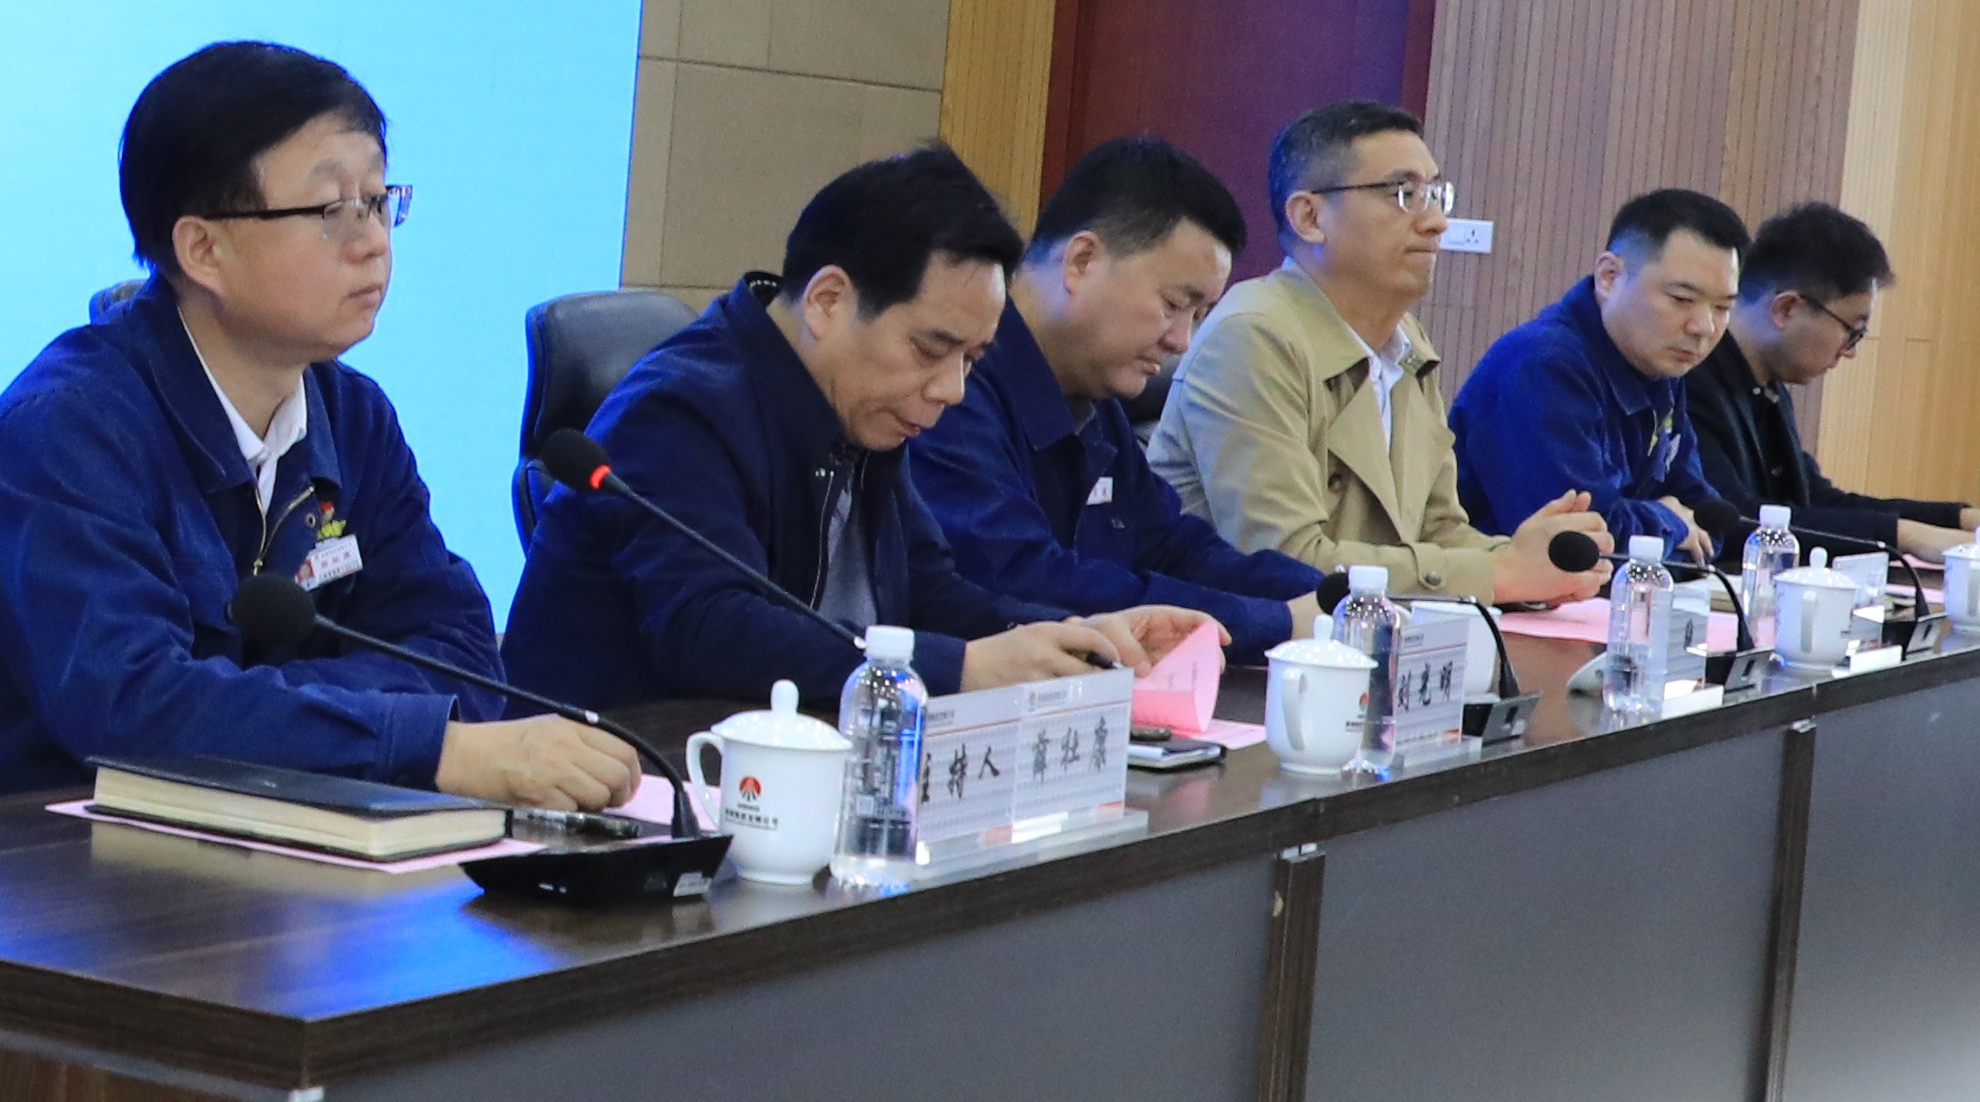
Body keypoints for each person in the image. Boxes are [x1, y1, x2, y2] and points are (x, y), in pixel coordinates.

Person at [0, 41, 640, 814]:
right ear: (204, 248)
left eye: (379, 201)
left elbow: (461, 652)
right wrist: (422, 741)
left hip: (238, 841)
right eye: (331, 209)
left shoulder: (354, 417)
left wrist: (264, 712)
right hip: (5, 861)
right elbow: (136, 710)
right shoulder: (64, 433)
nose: (373, 241)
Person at [498, 143, 1167, 713]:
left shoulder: (863, 409)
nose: (952, 389)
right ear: (827, 302)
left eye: (971, 360)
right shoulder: (678, 409)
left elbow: (929, 594)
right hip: (624, 784)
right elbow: (712, 629)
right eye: (931, 349)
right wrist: (961, 667)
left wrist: (1072, 638)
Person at [1154, 101, 1611, 605]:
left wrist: (1535, 564)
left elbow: (1438, 531)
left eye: (1435, 194)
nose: (1435, 221)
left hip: (1373, 634)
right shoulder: (1253, 336)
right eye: (1403, 195)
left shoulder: (1406, 341)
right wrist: (1498, 573)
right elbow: (1284, 560)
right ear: (1309, 217)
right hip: (1245, 641)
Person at [912, 134, 1329, 648]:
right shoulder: (953, 388)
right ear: (1081, 260)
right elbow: (1023, 576)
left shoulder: (1095, 399)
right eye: (1173, 305)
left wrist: (1331, 599)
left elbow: (1174, 549)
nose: (1182, 341)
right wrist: (1278, 622)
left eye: (1198, 315)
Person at [1450, 186, 1747, 557]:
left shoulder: (1661, 367)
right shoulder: (1542, 366)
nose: (1703, 327)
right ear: (1609, 277)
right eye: (1682, 299)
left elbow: (1705, 523)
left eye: (1722, 308)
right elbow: (1576, 544)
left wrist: (1669, 529)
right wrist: (1668, 522)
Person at [1682, 200, 1970, 558]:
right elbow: (1733, 519)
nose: (1850, 352)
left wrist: (1956, 518)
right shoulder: (1692, 379)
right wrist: (1901, 536)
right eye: (1852, 331)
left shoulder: (1765, 384)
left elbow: (1814, 500)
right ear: (1786, 309)